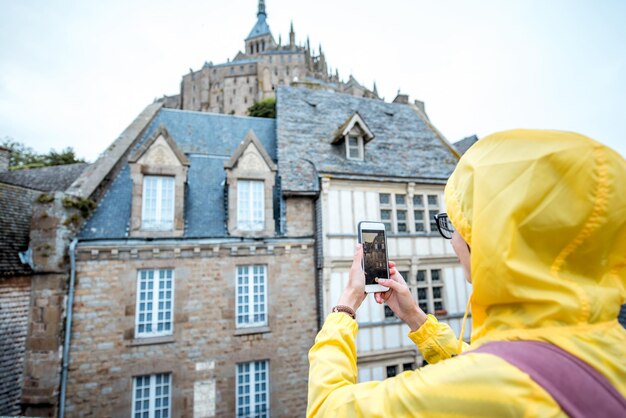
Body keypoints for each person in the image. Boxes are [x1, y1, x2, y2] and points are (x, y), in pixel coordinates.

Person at [307, 129, 626, 417]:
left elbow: (327, 408)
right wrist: (416, 317)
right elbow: (483, 363)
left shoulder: (493, 385)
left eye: (454, 224)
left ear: (490, 236)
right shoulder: (610, 343)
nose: (453, 240)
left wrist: (347, 304)